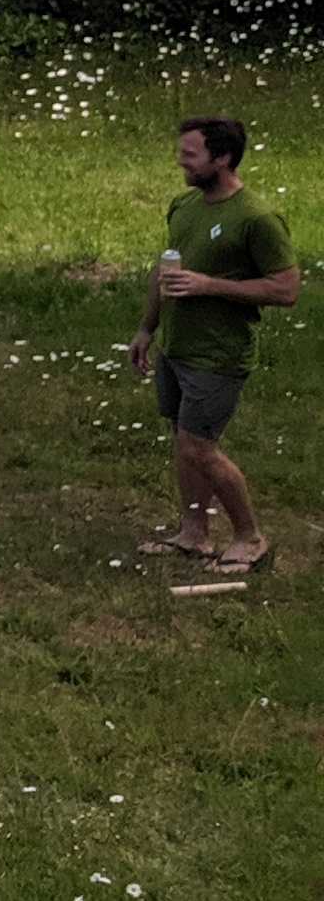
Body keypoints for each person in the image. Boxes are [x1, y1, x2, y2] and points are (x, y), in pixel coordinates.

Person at [134, 113, 292, 574]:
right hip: (176, 348)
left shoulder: (257, 218)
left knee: (199, 448)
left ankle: (250, 538)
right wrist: (147, 328)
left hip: (218, 355)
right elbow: (164, 272)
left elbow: (285, 290)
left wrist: (209, 285)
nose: (180, 162)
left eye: (190, 155)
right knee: (183, 443)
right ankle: (194, 534)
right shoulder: (183, 206)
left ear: (221, 158)